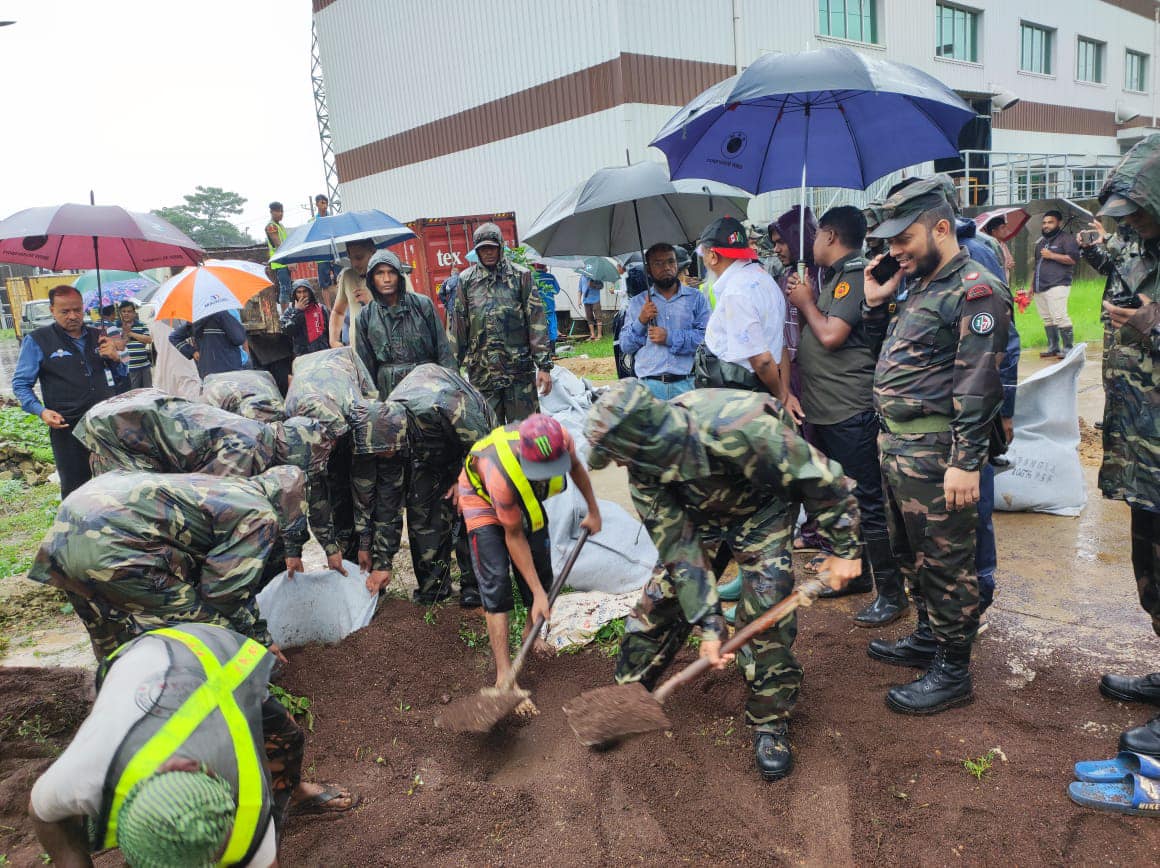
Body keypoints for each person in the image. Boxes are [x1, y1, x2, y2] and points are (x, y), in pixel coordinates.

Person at [586, 380, 861, 781]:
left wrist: (845, 547)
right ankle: (627, 696)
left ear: (647, 439)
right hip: (699, 519)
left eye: (620, 455)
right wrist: (711, 625)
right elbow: (681, 554)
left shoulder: (741, 426)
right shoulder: (645, 473)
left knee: (768, 606)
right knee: (658, 602)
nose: (619, 465)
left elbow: (821, 478)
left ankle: (770, 720)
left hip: (762, 507)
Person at [861, 176, 1012, 715]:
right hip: (900, 449)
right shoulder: (920, 286)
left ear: (941, 228)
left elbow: (978, 384)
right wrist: (877, 300)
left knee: (947, 563)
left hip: (937, 454)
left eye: (903, 239)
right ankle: (928, 636)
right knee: (912, 557)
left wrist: (966, 463)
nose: (892, 251)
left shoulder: (976, 289)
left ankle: (953, 670)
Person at [29, 624, 355, 868]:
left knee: (287, 738)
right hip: (143, 661)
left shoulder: (250, 806)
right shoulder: (85, 774)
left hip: (214, 654)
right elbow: (44, 815)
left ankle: (296, 791)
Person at [27, 466, 308, 661]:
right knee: (213, 628)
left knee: (107, 635)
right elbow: (225, 592)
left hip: (64, 537)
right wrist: (260, 640)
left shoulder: (225, 484)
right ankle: (242, 699)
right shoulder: (261, 515)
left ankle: (117, 700)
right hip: (117, 550)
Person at [786, 205, 900, 624]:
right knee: (845, 499)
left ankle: (890, 591)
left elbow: (832, 335)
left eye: (816, 234)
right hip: (829, 408)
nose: (812, 242)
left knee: (868, 501)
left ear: (831, 236)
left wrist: (805, 302)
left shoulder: (852, 276)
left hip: (849, 408)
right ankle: (855, 573)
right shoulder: (832, 278)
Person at [1086, 135, 1160, 757]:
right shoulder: (1140, 243)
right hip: (1144, 450)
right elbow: (1116, 265)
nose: (1128, 225)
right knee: (1153, 579)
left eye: (1136, 212)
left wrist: (1150, 323)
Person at [457, 414, 601, 709]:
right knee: (496, 582)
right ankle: (503, 677)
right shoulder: (499, 474)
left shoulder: (562, 441)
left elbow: (575, 469)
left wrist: (594, 510)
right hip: (481, 498)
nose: (548, 476)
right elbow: (514, 536)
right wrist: (535, 593)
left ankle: (530, 635)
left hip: (521, 496)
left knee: (543, 574)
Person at [354, 364, 492, 606]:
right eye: (381, 455)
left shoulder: (441, 404)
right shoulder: (388, 439)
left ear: (398, 435)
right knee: (422, 509)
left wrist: (466, 479)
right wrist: (382, 562)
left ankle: (476, 585)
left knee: (470, 506)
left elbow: (485, 445)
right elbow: (389, 502)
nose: (385, 458)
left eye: (387, 452)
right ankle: (434, 587)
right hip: (430, 452)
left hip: (475, 441)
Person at [11, 285, 128, 498]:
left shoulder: (99, 337)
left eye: (77, 310)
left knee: (114, 485)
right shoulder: (38, 340)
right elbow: (21, 384)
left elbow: (122, 379)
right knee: (76, 489)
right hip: (67, 426)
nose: (73, 316)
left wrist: (116, 358)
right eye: (65, 311)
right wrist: (42, 411)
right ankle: (77, 529)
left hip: (104, 424)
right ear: (52, 310)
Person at [284, 347, 390, 572]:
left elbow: (364, 482)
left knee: (354, 475)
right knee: (330, 482)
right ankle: (344, 550)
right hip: (308, 371)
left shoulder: (355, 410)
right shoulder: (290, 421)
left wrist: (365, 541)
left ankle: (365, 554)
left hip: (345, 369)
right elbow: (311, 488)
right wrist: (329, 547)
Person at [449, 222, 554, 423]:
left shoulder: (520, 276)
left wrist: (544, 366)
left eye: (492, 247)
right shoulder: (466, 281)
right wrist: (452, 372)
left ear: (501, 247)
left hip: (518, 373)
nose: (488, 253)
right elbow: (458, 328)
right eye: (483, 249)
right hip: (483, 374)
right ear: (476, 251)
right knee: (489, 437)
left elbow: (536, 321)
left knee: (527, 434)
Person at [696, 217, 792, 410]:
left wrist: (782, 397)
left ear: (713, 256)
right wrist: (784, 392)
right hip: (760, 390)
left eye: (703, 254)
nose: (704, 261)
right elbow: (779, 344)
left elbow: (762, 360)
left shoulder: (736, 293)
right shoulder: (764, 279)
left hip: (741, 397)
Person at [356, 249, 454, 396]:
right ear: (371, 279)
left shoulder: (422, 305)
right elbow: (365, 366)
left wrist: (453, 389)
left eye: (392, 272)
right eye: (380, 273)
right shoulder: (365, 316)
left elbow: (443, 350)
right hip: (390, 393)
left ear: (399, 276)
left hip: (427, 386)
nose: (387, 279)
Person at [618, 242, 710, 400]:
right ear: (648, 270)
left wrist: (670, 337)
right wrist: (641, 320)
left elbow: (707, 340)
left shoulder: (696, 299)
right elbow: (626, 346)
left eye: (671, 261)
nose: (666, 267)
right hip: (648, 389)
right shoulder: (638, 303)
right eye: (658, 263)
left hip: (686, 386)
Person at [1032, 209, 1081, 359]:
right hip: (1040, 286)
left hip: (1058, 284)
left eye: (1050, 222)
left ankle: (1068, 348)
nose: (1046, 225)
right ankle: (1053, 347)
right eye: (1044, 223)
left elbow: (1073, 259)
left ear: (1058, 223)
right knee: (1047, 318)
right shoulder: (1040, 243)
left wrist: (1052, 255)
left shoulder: (1067, 239)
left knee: (1060, 317)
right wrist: (1031, 287)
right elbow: (1036, 266)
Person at [329, 239, 377, 351]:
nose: (355, 264)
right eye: (351, 258)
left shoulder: (393, 274)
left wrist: (372, 303)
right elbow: (338, 312)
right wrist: (333, 340)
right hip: (358, 350)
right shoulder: (347, 276)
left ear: (373, 252)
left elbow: (410, 312)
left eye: (359, 258)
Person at [170, 310, 249, 378]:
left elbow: (174, 337)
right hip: (228, 368)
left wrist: (192, 352)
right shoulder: (223, 315)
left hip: (207, 371)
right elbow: (239, 339)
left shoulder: (196, 319)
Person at [107, 301, 153, 390]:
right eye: (124, 311)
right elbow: (118, 346)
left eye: (129, 311)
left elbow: (148, 340)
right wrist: (124, 334)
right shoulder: (115, 327)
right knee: (133, 395)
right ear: (120, 313)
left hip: (144, 366)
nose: (126, 314)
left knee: (148, 393)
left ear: (134, 313)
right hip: (129, 369)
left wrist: (130, 333)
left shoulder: (141, 325)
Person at [280, 279, 331, 358]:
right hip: (303, 355)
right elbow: (287, 331)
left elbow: (329, 330)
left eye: (305, 291)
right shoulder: (290, 310)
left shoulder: (320, 308)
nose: (302, 295)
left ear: (310, 292)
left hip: (322, 353)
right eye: (299, 292)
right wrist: (298, 311)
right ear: (294, 294)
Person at [531, 261, 560, 355]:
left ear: (535, 266)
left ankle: (540, 352)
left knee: (537, 329)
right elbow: (557, 290)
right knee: (552, 328)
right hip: (549, 307)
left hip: (535, 308)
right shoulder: (550, 277)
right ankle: (552, 352)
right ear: (545, 266)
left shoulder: (531, 276)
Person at [265, 201, 292, 303]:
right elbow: (279, 245)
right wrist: (289, 261)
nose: (281, 214)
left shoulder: (280, 226)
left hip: (284, 261)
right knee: (285, 289)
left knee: (287, 288)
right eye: (278, 211)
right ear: (271, 212)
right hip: (279, 262)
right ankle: (285, 315)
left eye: (282, 211)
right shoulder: (271, 226)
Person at [313, 194, 339, 294]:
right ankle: (328, 309)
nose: (325, 205)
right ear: (317, 204)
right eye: (322, 203)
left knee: (340, 280)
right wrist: (313, 258)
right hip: (321, 256)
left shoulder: (332, 219)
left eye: (326, 203)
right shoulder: (314, 221)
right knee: (324, 285)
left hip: (335, 254)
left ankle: (341, 307)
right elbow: (313, 241)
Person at [980, 215, 1017, 284]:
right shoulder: (987, 247)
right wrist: (1005, 266)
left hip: (1005, 282)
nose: (1006, 230)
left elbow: (1010, 260)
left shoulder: (1003, 244)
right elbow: (989, 267)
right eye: (1002, 228)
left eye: (1005, 227)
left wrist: (1010, 264)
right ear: (994, 231)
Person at [579, 274, 604, 341]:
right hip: (586, 300)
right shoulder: (582, 276)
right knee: (589, 318)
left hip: (596, 299)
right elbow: (580, 289)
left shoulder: (596, 276)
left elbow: (601, 286)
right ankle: (592, 335)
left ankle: (599, 335)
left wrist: (593, 284)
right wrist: (579, 300)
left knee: (598, 317)